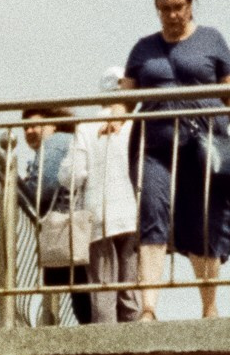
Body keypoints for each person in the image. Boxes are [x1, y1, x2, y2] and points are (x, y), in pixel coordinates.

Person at [119, 0, 230, 317]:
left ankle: (209, 308)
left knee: (204, 222)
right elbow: (124, 98)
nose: (172, 15)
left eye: (179, 7)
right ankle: (148, 310)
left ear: (191, 4)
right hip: (156, 147)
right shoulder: (143, 48)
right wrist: (114, 115)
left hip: (205, 147)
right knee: (152, 215)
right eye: (164, 9)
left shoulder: (212, 40)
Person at [14, 80, 140, 324]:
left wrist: (19, 189)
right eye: (25, 128)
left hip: (82, 227)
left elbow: (48, 185)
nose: (29, 131)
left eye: (35, 125)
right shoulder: (126, 127)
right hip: (128, 215)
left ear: (52, 123)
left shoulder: (56, 142)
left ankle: (105, 347)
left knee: (96, 295)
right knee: (127, 289)